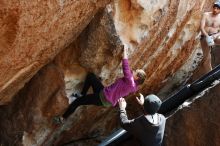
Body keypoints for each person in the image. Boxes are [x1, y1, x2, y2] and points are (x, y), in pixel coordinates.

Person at [58, 46, 146, 123]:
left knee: (78, 101)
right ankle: (82, 93)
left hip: (104, 98)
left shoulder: (130, 82)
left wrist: (125, 52)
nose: (133, 71)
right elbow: (129, 73)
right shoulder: (133, 85)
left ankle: (62, 118)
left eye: (135, 72)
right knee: (91, 76)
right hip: (104, 93)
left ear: (137, 78)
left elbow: (126, 68)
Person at [200, 0, 220, 71]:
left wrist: (215, 36)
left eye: (218, 9)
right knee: (207, 58)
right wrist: (207, 36)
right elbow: (202, 28)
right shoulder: (206, 14)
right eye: (214, 7)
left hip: (215, 36)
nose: (215, 10)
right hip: (205, 37)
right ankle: (210, 75)